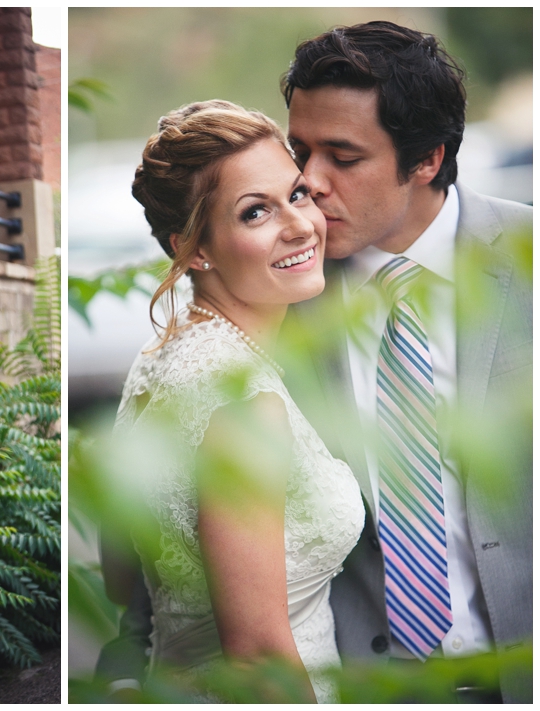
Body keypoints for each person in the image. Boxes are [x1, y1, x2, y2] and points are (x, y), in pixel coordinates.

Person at [282, 21, 532, 702]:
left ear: (427, 158)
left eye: (342, 155)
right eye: (299, 150)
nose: (307, 181)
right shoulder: (278, 294)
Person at [113, 99, 365, 703]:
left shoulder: (159, 360)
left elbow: (125, 575)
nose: (300, 225)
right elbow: (255, 657)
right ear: (194, 248)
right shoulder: (241, 400)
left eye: (297, 195)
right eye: (256, 212)